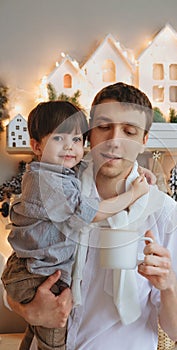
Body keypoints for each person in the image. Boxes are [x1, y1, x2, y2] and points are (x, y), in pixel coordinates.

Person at [6, 83, 177, 350]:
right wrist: (28, 310)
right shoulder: (57, 186)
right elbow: (19, 268)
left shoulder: (164, 213)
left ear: (143, 141)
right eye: (104, 127)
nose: (114, 140)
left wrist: (169, 286)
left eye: (129, 131)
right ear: (89, 135)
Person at [1, 100, 149, 350]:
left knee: (36, 335)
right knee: (54, 340)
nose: (70, 146)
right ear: (36, 146)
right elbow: (88, 213)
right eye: (59, 138)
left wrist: (136, 170)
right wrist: (132, 194)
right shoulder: (45, 180)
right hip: (37, 275)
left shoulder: (61, 170)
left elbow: (99, 163)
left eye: (78, 139)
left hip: (37, 270)